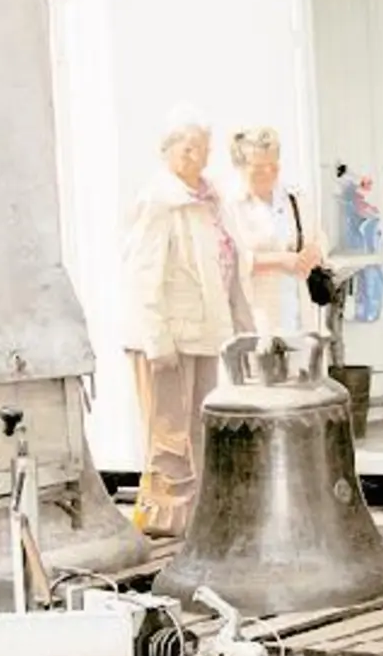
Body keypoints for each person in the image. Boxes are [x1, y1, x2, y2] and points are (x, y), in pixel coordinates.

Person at [120, 106, 251, 537]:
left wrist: (241, 331)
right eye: (187, 147)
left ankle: (197, 517)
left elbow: (229, 267)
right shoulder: (159, 201)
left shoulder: (210, 200)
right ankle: (166, 521)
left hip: (206, 333)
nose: (196, 155)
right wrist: (156, 339)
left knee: (199, 427)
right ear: (169, 152)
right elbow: (143, 273)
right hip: (169, 337)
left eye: (202, 147)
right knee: (169, 433)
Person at [224, 127, 329, 336]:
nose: (269, 172)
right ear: (241, 166)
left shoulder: (295, 198)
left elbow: (320, 237)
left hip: (300, 314)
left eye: (273, 164)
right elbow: (227, 261)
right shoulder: (229, 207)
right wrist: (279, 261)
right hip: (256, 320)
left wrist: (315, 252)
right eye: (260, 166)